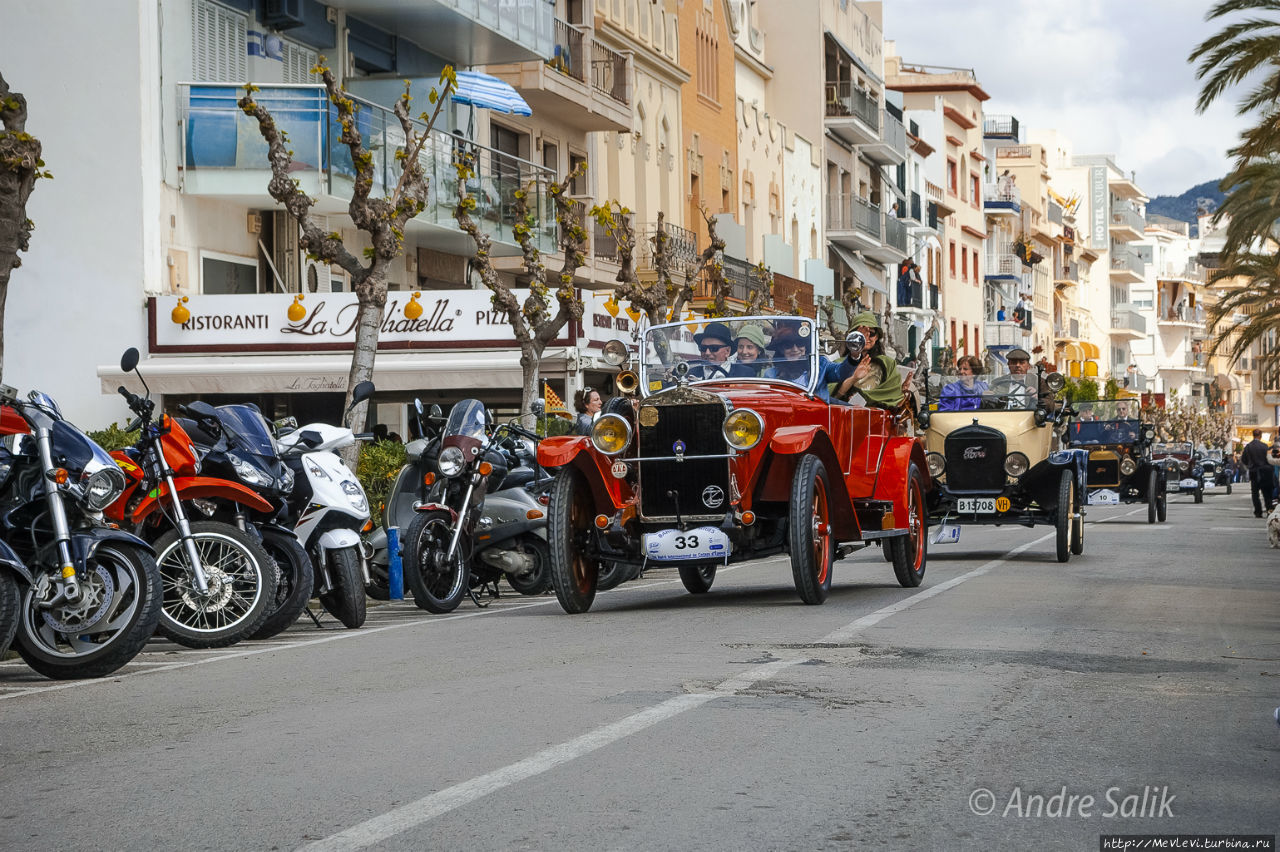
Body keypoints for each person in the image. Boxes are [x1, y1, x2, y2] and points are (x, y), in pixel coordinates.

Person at [833, 311, 905, 409]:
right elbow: (829, 397)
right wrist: (853, 379)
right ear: (851, 337)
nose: (865, 337)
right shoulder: (837, 364)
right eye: (861, 334)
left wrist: (862, 397)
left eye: (870, 333)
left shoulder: (888, 364)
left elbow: (893, 396)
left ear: (876, 337)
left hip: (877, 420)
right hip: (843, 419)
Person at [763, 325, 842, 401]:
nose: (795, 349)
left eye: (800, 343)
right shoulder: (771, 375)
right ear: (781, 349)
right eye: (788, 345)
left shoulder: (819, 367)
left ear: (806, 347)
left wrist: (853, 357)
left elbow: (840, 372)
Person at [1240, 428, 1274, 517]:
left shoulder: (1248, 446)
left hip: (1254, 472)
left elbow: (1243, 459)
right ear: (1260, 436)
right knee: (1266, 493)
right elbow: (1269, 459)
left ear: (1253, 435)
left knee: (1255, 494)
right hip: (1265, 472)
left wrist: (1249, 465)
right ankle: (1269, 510)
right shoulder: (1265, 446)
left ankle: (1258, 512)